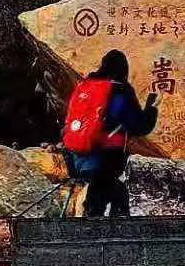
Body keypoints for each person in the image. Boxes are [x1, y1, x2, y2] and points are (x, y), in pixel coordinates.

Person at [62, 48, 159, 217]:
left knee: (114, 192)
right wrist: (151, 110)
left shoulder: (85, 86)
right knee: (103, 197)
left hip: (77, 155)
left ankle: (106, 226)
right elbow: (139, 126)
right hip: (107, 157)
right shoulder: (120, 90)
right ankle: (101, 229)